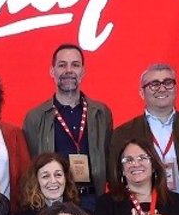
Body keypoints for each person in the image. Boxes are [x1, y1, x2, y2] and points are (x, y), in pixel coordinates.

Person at [108, 63, 179, 196]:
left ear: (176, 88)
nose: (162, 88)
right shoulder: (123, 133)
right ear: (141, 93)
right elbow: (114, 177)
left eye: (168, 82)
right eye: (154, 84)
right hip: (143, 205)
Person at [22, 43, 112, 194]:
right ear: (52, 71)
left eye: (75, 65)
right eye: (62, 65)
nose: (69, 70)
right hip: (54, 198)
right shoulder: (35, 117)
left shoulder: (101, 113)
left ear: (83, 71)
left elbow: (109, 159)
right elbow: (31, 167)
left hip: (93, 199)